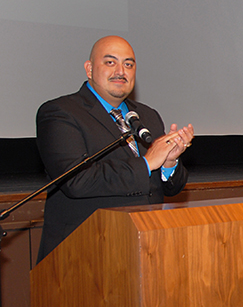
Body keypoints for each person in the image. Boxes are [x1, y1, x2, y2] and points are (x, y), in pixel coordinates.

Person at [36, 35, 194, 262]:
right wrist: (148, 162)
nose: (121, 71)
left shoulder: (147, 115)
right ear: (89, 69)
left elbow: (169, 189)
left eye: (128, 64)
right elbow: (76, 181)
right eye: (110, 62)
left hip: (147, 247)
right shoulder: (60, 113)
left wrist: (169, 163)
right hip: (83, 254)